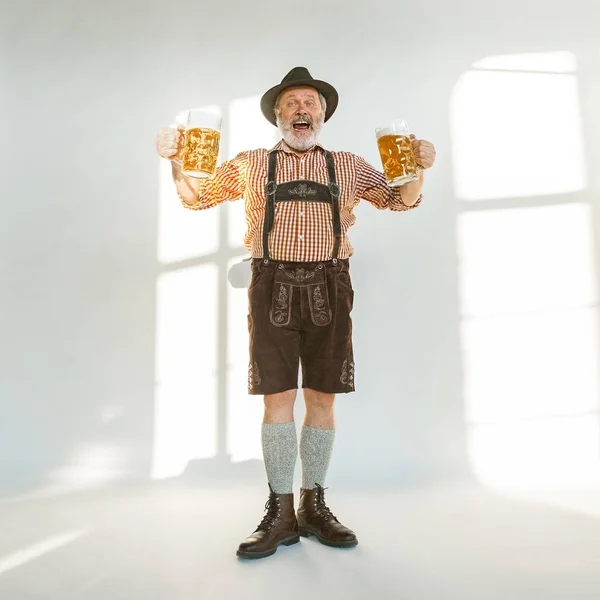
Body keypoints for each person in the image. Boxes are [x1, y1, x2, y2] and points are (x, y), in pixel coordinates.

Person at [155, 67, 436, 560]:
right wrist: (177, 163)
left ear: (323, 114)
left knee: (323, 400)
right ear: (277, 115)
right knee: (277, 400)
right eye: (291, 103)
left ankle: (314, 504)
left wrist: (421, 169)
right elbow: (196, 198)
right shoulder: (249, 165)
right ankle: (280, 511)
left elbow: (401, 200)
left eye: (310, 102)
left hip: (331, 285)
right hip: (271, 288)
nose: (301, 109)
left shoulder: (348, 165)